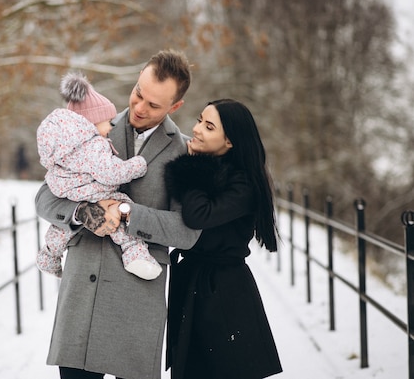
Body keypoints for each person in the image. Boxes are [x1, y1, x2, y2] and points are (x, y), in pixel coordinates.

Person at [35, 49, 201, 379]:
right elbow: (44, 199)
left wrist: (126, 212)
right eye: (139, 93)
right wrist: (84, 212)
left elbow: (187, 232)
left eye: (154, 105)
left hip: (138, 305)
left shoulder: (183, 151)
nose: (139, 107)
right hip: (83, 297)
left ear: (175, 107)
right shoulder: (90, 126)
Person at [164, 98, 283, 379]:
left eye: (208, 126)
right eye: (198, 120)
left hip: (223, 294)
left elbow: (197, 216)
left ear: (229, 141)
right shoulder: (217, 171)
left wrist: (192, 168)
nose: (196, 130)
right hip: (197, 284)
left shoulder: (242, 183)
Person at [36, 71, 162, 280]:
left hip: (70, 193)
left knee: (60, 229)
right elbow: (110, 173)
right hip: (95, 192)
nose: (111, 127)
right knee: (120, 212)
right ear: (91, 122)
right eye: (108, 121)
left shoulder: (66, 147)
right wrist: (136, 166)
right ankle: (134, 253)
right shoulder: (93, 145)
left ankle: (48, 256)